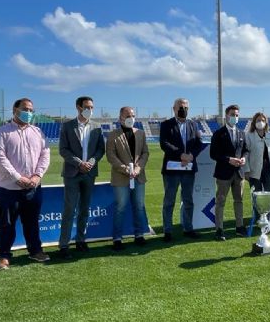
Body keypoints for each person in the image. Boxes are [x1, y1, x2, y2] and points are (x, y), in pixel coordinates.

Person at [0, 98, 50, 270]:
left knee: (32, 222)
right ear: (15, 110)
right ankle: (3, 256)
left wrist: (38, 175)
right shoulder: (2, 132)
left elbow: (45, 155)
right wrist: (17, 177)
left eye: (31, 109)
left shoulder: (37, 132)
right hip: (8, 188)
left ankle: (35, 251)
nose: (29, 112)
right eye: (25, 109)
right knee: (6, 223)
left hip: (33, 186)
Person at [57, 96, 105, 259]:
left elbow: (100, 150)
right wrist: (79, 163)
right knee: (69, 210)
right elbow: (63, 150)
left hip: (89, 173)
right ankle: (64, 245)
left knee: (84, 209)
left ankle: (80, 240)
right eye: (87, 107)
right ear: (78, 107)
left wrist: (91, 161)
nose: (90, 110)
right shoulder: (67, 126)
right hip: (72, 173)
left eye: (92, 107)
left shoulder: (97, 127)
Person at [106, 107, 150, 250]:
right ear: (120, 118)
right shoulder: (113, 135)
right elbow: (111, 156)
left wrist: (138, 168)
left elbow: (145, 153)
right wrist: (125, 169)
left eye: (133, 115)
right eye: (127, 115)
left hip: (138, 177)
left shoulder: (141, 133)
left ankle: (139, 234)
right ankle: (117, 238)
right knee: (120, 207)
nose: (131, 117)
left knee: (139, 206)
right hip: (121, 177)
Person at [159, 98, 203, 241]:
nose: (183, 109)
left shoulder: (193, 124)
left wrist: (190, 156)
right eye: (180, 107)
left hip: (188, 169)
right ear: (174, 108)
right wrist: (181, 155)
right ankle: (167, 230)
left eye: (185, 107)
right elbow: (164, 143)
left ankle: (188, 228)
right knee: (169, 201)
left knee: (188, 200)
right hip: (172, 170)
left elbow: (198, 144)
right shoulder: (166, 124)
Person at [209, 104, 249, 241]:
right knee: (220, 202)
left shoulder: (241, 133)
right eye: (232, 114)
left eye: (237, 115)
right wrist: (228, 159)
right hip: (223, 174)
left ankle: (239, 227)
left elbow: (245, 150)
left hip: (239, 173)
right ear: (226, 116)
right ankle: (219, 229)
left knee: (239, 201)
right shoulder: (218, 134)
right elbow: (213, 154)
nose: (235, 117)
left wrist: (244, 158)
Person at [244, 112, 270, 192]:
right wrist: (246, 170)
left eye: (263, 120)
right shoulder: (248, 136)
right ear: (254, 122)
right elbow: (245, 154)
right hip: (254, 170)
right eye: (258, 120)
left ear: (266, 122)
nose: (261, 122)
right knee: (256, 195)